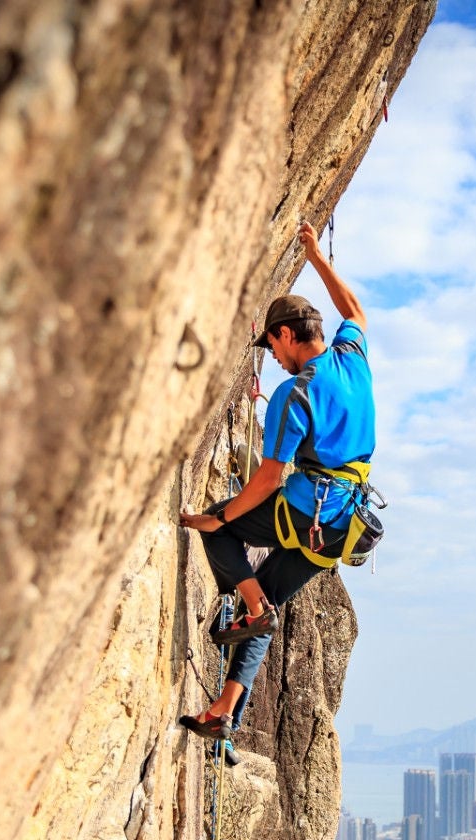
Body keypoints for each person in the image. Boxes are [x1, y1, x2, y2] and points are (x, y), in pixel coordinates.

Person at [178, 219, 374, 739]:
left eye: (273, 347)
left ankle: (254, 605)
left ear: (287, 335)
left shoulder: (297, 393)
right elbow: (353, 311)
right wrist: (315, 256)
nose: (276, 359)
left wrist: (213, 516)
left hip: (307, 510)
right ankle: (224, 712)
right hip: (344, 525)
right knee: (264, 604)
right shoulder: (353, 360)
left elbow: (266, 483)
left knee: (221, 529)